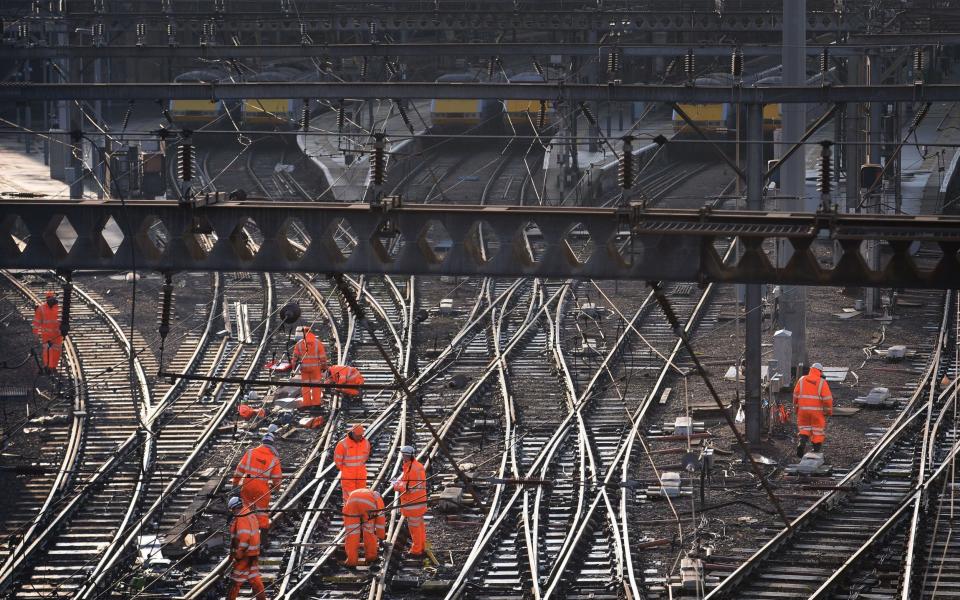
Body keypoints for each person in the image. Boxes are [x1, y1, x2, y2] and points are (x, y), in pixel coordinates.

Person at [232, 432, 282, 536]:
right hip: (262, 489)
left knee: (245, 509)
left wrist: (235, 483)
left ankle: (244, 532)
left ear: (262, 442)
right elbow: (277, 479)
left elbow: (239, 470)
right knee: (262, 513)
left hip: (247, 485)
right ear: (272, 444)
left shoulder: (250, 453)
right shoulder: (274, 459)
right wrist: (276, 489)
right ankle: (261, 537)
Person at [226, 496, 266, 600]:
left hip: (245, 554)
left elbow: (245, 537)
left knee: (235, 580)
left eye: (232, 510)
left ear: (234, 508)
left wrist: (239, 552)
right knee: (254, 578)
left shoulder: (242, 517)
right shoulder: (249, 514)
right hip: (253, 553)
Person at [392, 445, 428, 557]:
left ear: (405, 455)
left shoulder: (412, 469)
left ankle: (416, 550)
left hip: (413, 504)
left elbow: (409, 488)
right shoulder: (417, 466)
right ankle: (422, 546)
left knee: (414, 529)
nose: (402, 457)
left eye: (403, 455)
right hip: (419, 503)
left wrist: (397, 485)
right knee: (420, 526)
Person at [793, 362, 834, 458]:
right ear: (820, 371)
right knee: (817, 431)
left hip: (803, 411)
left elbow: (795, 395)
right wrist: (828, 411)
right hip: (816, 412)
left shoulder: (802, 379)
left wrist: (796, 408)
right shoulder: (821, 382)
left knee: (804, 429)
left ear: (811, 369)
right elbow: (828, 399)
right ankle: (816, 450)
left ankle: (801, 444)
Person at [341, 487, 386, 567]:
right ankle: (371, 557)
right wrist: (381, 537)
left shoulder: (368, 492)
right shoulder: (379, 500)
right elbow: (380, 523)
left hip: (352, 500)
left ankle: (351, 561)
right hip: (367, 505)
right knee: (369, 532)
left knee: (352, 533)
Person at [292, 326, 328, 408]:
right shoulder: (317, 343)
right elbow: (323, 357)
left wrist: (293, 368)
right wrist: (324, 367)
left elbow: (294, 358)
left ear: (303, 333)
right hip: (315, 369)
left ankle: (307, 403)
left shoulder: (299, 343)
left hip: (304, 369)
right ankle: (316, 403)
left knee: (306, 386)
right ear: (311, 332)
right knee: (316, 386)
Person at [334, 424, 371, 501]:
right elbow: (338, 461)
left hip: (361, 475)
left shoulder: (366, 442)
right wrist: (346, 470)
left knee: (361, 496)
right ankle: (349, 512)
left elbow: (365, 457)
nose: (360, 437)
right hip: (348, 476)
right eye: (358, 436)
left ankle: (360, 512)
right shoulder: (342, 444)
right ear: (352, 433)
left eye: (361, 435)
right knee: (349, 497)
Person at [32, 291, 62, 373]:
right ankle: (48, 367)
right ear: (47, 299)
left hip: (57, 335)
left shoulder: (59, 308)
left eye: (51, 298)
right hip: (47, 335)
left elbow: (64, 320)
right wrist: (35, 333)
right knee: (47, 351)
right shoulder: (41, 308)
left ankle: (53, 367)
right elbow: (36, 322)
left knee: (56, 352)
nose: (50, 299)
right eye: (48, 298)